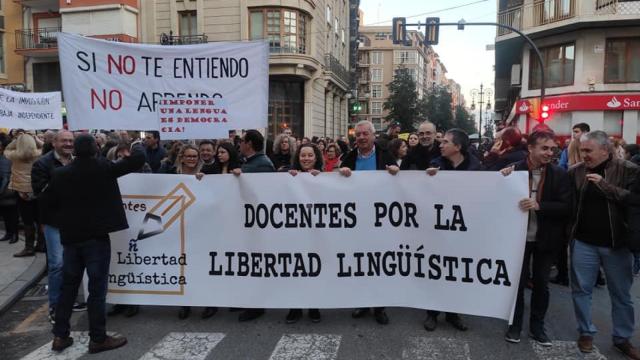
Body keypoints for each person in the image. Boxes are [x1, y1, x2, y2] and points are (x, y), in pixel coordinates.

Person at [48, 135, 145, 354]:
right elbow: (138, 159)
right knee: (97, 290)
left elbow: (50, 204)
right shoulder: (103, 168)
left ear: (75, 151)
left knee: (68, 289)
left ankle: (60, 336)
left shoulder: (60, 174)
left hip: (71, 239)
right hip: (96, 240)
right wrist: (135, 143)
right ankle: (98, 338)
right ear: (95, 150)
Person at [568, 131, 640, 358]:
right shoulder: (576, 172)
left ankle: (622, 338)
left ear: (605, 150)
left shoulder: (628, 170)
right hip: (583, 243)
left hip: (617, 245)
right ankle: (586, 332)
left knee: (621, 294)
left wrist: (605, 185)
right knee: (581, 290)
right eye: (582, 150)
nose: (584, 155)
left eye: (588, 150)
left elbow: (634, 200)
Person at [500, 130, 571, 346]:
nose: (550, 153)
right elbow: (493, 195)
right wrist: (501, 179)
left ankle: (537, 327)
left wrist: (540, 206)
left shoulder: (559, 174)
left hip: (546, 239)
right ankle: (515, 325)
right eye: (544, 148)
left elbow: (567, 207)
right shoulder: (513, 171)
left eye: (552, 149)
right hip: (517, 238)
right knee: (517, 284)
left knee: (541, 284)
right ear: (530, 148)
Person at [339, 120, 398, 325]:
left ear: (373, 136)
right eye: (358, 135)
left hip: (380, 219)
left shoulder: (385, 155)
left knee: (378, 261)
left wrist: (395, 172)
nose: (362, 138)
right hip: (356, 219)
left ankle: (379, 306)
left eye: (365, 134)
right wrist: (342, 172)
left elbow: (399, 179)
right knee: (360, 261)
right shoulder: (349, 156)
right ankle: (363, 302)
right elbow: (337, 183)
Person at [423, 129, 479, 333]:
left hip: (462, 228)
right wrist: (429, 178)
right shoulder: (436, 164)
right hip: (438, 228)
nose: (441, 144)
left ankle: (454, 313)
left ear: (458, 147)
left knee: (457, 271)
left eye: (445, 142)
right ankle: (432, 313)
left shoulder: (476, 166)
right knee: (437, 270)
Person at [31, 130, 78, 324]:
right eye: (64, 140)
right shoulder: (42, 163)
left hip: (77, 221)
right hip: (54, 222)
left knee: (73, 264)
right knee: (57, 264)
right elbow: (40, 194)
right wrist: (63, 179)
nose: (68, 143)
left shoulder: (78, 160)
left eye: (70, 140)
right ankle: (56, 306)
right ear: (55, 143)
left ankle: (69, 301)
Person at [233, 130, 275, 322]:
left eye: (242, 141)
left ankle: (257, 305)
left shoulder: (262, 165)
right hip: (247, 220)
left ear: (249, 144)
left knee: (256, 262)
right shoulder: (251, 163)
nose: (239, 144)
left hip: (258, 222)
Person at [285, 143, 323, 324]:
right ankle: (295, 306)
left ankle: (314, 305)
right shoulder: (288, 175)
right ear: (297, 157)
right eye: (302, 155)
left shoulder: (324, 176)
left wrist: (321, 179)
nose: (306, 159)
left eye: (310, 155)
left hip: (316, 233)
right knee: (295, 268)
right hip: (295, 232)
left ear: (316, 158)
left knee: (315, 268)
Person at [5, 133, 43, 257]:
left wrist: (16, 140)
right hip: (36, 191)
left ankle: (29, 247)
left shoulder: (14, 156)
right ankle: (41, 245)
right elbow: (47, 147)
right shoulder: (40, 154)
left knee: (27, 221)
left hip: (21, 192)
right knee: (40, 219)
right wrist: (36, 139)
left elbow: (7, 149)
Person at [0, 134, 18, 243]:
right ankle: (9, 233)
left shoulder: (6, 157)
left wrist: (1, 191)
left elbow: (5, 176)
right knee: (6, 213)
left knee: (12, 214)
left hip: (8, 190)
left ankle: (14, 234)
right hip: (5, 190)